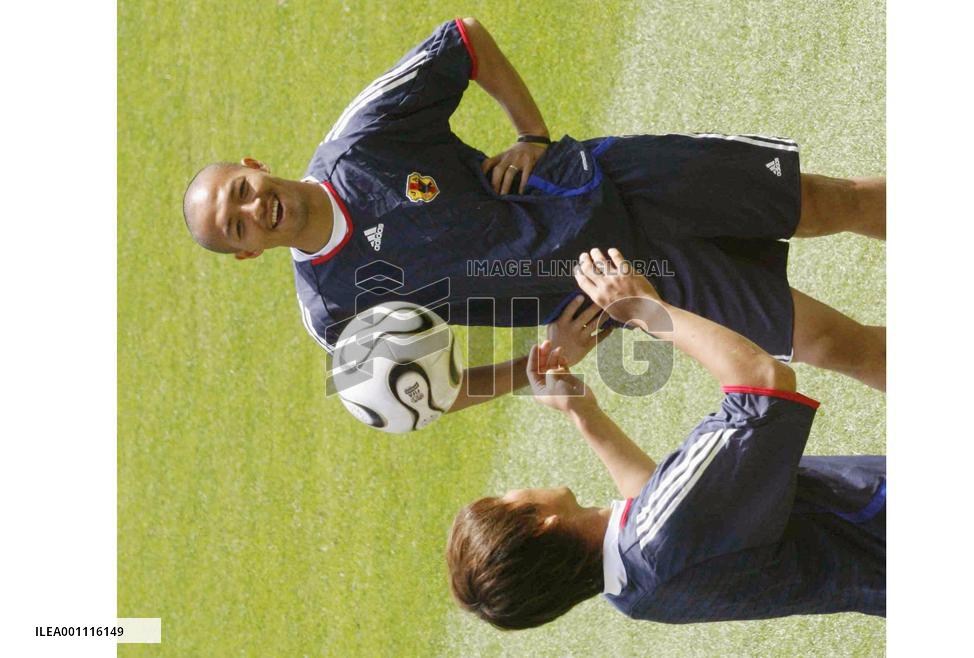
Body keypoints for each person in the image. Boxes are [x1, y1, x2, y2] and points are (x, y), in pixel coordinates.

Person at [182, 17, 886, 394]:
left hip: (618, 181)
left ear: (253, 166)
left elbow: (464, 40)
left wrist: (529, 134)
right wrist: (539, 363)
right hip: (621, 282)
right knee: (830, 344)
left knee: (828, 201)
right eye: (236, 225)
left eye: (241, 191)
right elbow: (432, 393)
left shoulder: (360, 139)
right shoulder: (333, 310)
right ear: (246, 251)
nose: (252, 207)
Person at [446, 248, 885, 629]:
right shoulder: (661, 535)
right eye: (505, 499)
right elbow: (764, 383)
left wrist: (583, 412)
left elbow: (660, 508)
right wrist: (644, 309)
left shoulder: (631, 592)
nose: (512, 488)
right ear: (541, 522)